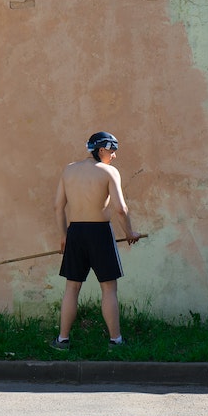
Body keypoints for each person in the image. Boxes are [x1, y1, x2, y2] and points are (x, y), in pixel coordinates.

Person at [50, 132, 142, 351]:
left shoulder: (69, 170)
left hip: (76, 232)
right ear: (101, 150)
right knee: (109, 288)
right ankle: (116, 340)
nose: (114, 156)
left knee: (71, 288)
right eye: (112, 151)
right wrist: (129, 233)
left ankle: (62, 340)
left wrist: (64, 236)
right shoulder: (109, 172)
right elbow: (121, 209)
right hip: (99, 232)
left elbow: (57, 207)